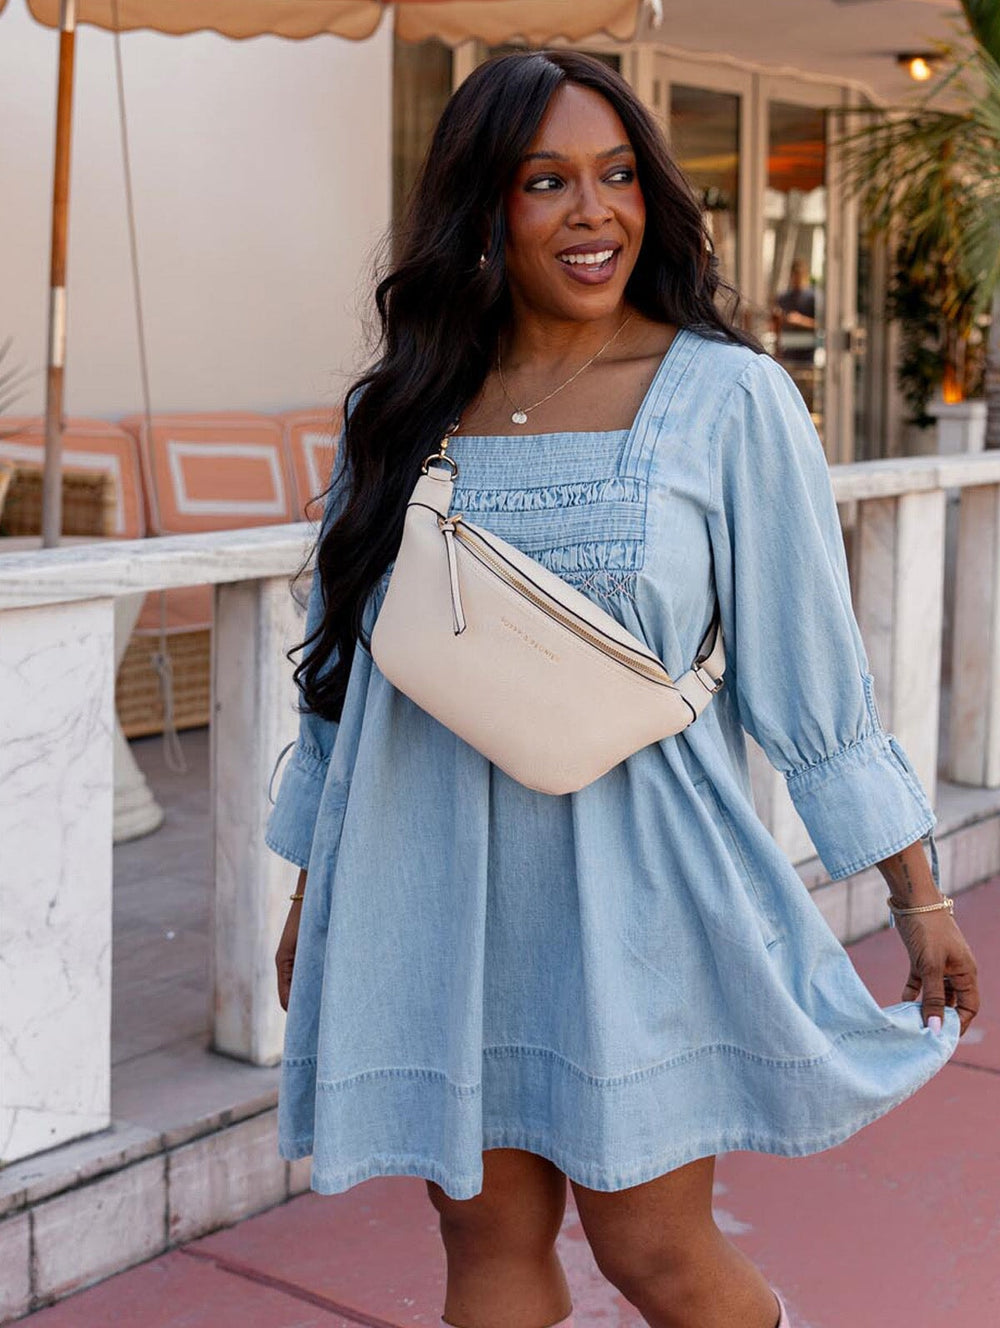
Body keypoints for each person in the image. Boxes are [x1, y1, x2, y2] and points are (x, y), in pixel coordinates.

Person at [266, 51, 979, 1328]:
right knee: (483, 1244)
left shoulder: (729, 397)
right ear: (483, 207)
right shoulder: (399, 407)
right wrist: (316, 894)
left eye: (617, 177)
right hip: (423, 886)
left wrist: (914, 892)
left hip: (637, 888)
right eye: (548, 182)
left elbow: (813, 677)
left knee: (653, 1246)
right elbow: (342, 688)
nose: (594, 211)